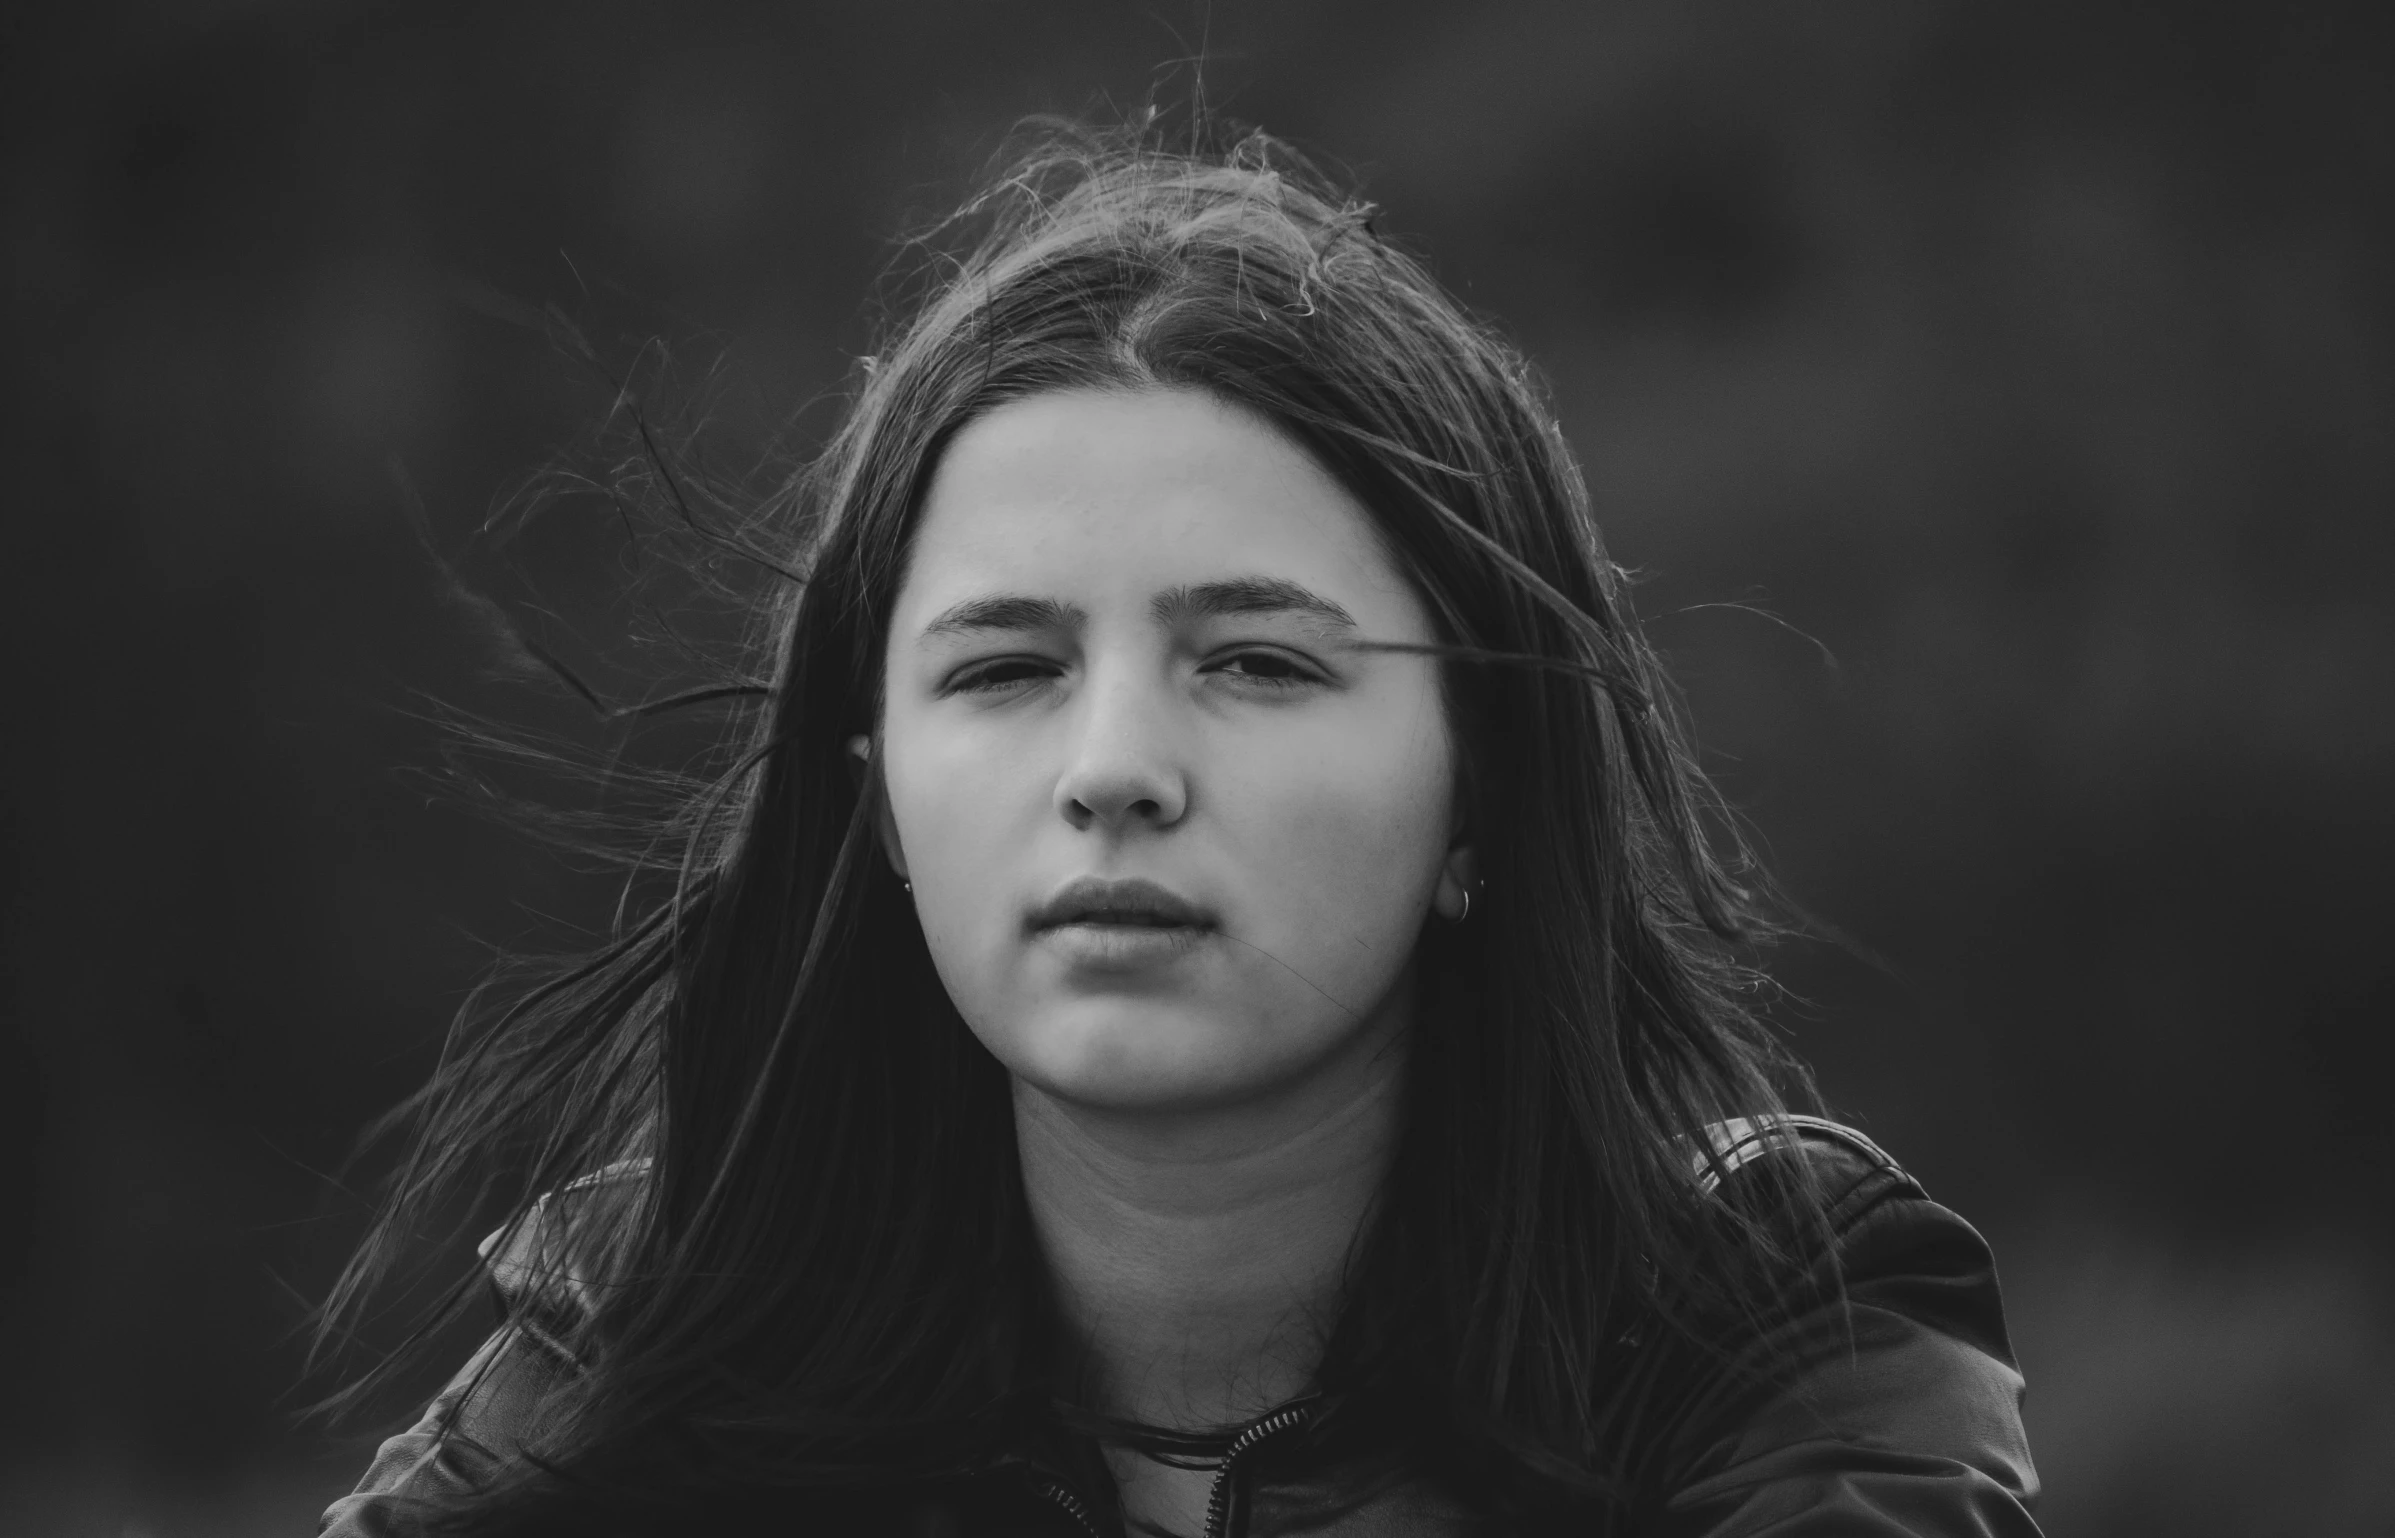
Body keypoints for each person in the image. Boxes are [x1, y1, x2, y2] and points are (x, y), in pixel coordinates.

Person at [315, 124, 2040, 1538]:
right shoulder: (677, 1315)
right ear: (880, 805)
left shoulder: (1760, 1316)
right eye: (1005, 666)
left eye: (1259, 660)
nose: (1115, 765)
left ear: (1484, 788)